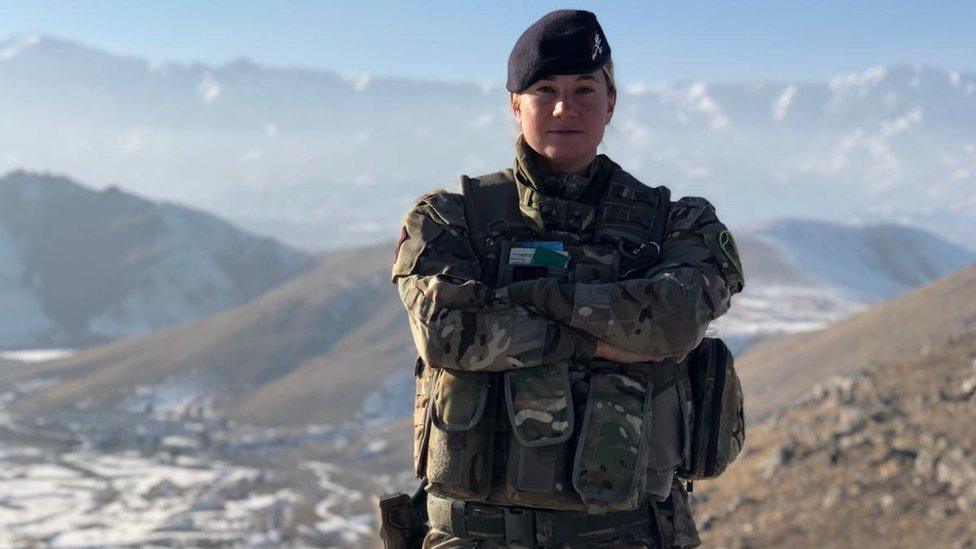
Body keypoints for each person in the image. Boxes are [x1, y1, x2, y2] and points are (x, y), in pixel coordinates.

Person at [391, 10, 744, 548]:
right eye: (544, 90)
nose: (565, 108)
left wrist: (521, 302)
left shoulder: (678, 223)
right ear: (515, 104)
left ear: (611, 102)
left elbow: (672, 324)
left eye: (584, 89)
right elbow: (447, 332)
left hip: (628, 535)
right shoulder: (448, 219)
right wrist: (601, 337)